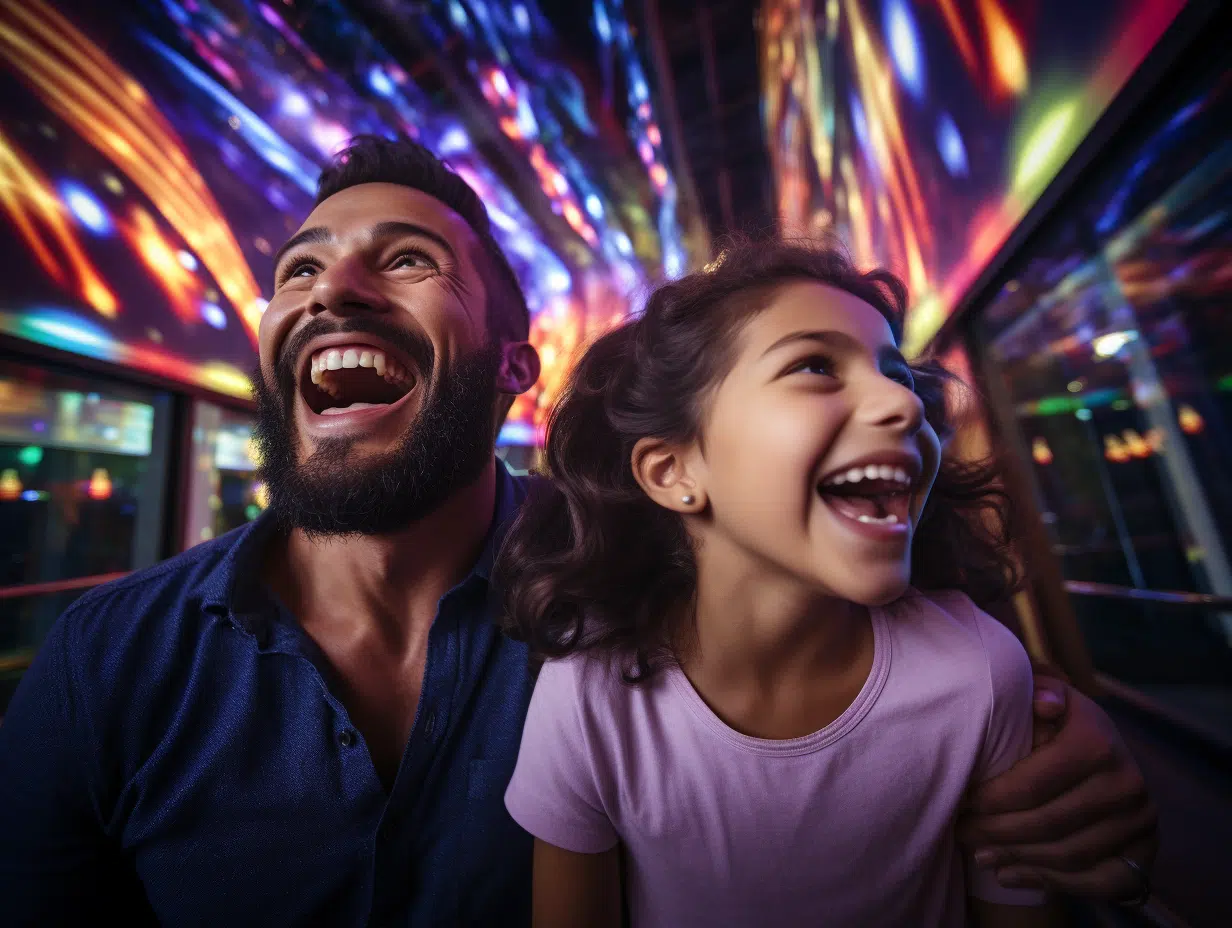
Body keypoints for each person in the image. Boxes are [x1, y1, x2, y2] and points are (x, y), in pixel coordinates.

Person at [0, 137, 1153, 925]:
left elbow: (889, 662)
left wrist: (1062, 739)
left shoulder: (652, 568)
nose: (330, 286)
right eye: (297, 266)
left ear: (515, 369)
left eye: (405, 259)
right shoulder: (105, 665)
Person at [497, 240, 1154, 927]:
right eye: (814, 366)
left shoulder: (981, 673)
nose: (904, 406)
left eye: (896, 374)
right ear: (673, 472)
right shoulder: (591, 697)